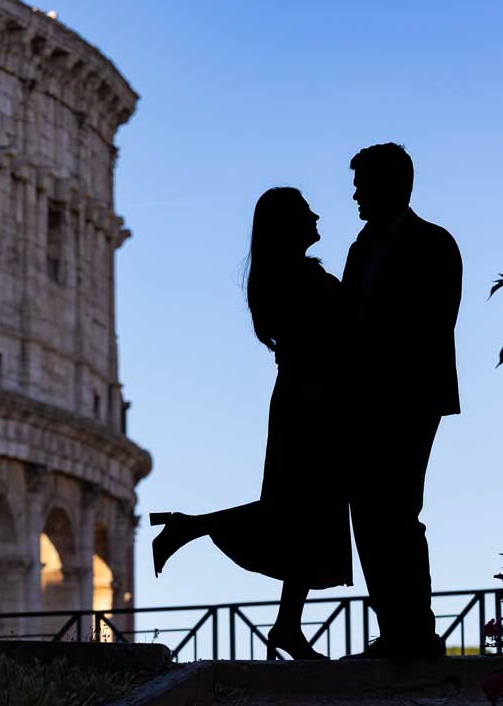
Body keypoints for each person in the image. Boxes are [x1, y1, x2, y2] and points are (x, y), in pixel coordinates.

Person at [150, 187, 353, 661]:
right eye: (306, 211)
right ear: (288, 224)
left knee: (304, 512)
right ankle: (190, 527)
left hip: (302, 399)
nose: (317, 215)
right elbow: (345, 325)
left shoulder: (277, 277)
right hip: (312, 402)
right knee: (299, 508)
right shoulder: (301, 278)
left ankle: (287, 624)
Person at [339, 143, 462, 661]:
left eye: (363, 185)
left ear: (393, 186)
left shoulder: (434, 243)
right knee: (368, 513)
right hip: (363, 401)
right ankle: (394, 628)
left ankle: (415, 631)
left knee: (399, 509)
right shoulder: (360, 247)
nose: (355, 195)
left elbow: (436, 322)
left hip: (410, 397)